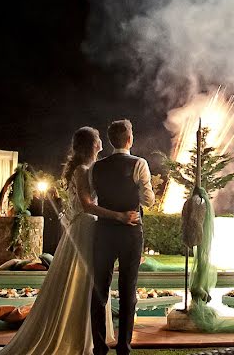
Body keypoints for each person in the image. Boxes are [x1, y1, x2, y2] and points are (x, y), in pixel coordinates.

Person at [0, 127, 135, 355]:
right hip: (85, 229)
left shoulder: (91, 168)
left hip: (90, 228)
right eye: (98, 141)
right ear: (91, 145)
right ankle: (76, 335)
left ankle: (89, 334)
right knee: (85, 283)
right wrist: (118, 216)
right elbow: (87, 205)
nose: (102, 144)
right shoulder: (82, 170)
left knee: (91, 284)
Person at [90, 119, 155, 355]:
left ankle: (99, 347)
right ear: (129, 139)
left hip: (104, 232)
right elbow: (149, 201)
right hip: (130, 232)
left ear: (110, 141)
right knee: (128, 290)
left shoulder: (96, 166)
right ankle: (123, 348)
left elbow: (94, 198)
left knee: (99, 290)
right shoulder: (139, 164)